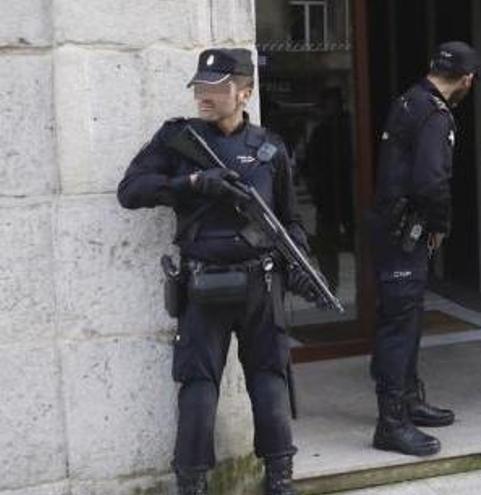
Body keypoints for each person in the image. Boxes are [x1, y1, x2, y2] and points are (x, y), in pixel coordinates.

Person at [118, 48, 318, 494]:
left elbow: (290, 219)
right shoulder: (177, 140)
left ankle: (280, 477)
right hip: (203, 284)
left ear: (244, 92)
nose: (203, 96)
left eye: (215, 88)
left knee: (269, 379)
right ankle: (191, 483)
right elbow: (130, 191)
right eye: (199, 88)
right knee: (198, 387)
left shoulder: (269, 149)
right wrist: (188, 184)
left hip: (260, 283)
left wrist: (302, 263)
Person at [369, 41, 480, 457]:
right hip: (405, 232)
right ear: (467, 79)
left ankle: (409, 399)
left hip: (391, 226)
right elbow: (431, 180)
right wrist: (439, 224)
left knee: (403, 317)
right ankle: (391, 422)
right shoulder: (434, 114)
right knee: (400, 323)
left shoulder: (408, 100)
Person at [302, 86, 355, 291]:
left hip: (345, 194)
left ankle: (330, 287)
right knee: (327, 245)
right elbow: (310, 164)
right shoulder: (324, 130)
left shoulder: (344, 127)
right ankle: (329, 287)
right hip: (331, 196)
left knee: (340, 242)